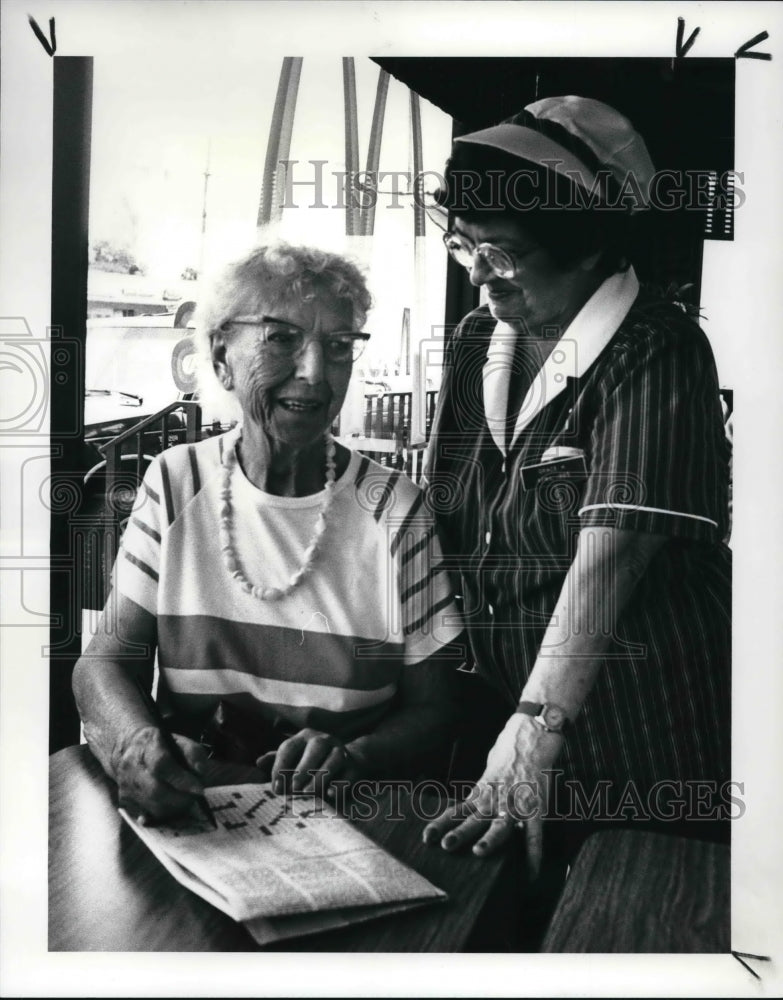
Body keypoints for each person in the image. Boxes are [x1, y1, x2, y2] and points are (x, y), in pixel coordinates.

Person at [421, 96, 732, 874]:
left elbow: (610, 558)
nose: (478, 275)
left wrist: (534, 726)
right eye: (464, 245)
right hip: (505, 726)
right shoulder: (471, 342)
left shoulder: (655, 348)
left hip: (641, 735)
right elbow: (442, 525)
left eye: (504, 252)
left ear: (590, 246)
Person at [73, 244, 463, 823]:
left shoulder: (393, 509)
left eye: (337, 347)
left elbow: (437, 709)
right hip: (199, 806)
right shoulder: (176, 483)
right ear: (222, 357)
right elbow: (103, 664)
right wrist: (133, 744)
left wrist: (355, 756)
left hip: (344, 817)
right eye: (281, 339)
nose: (314, 372)